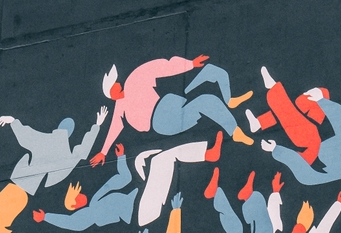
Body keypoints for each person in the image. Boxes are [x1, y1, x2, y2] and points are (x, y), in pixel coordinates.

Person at [0, 107, 106, 233]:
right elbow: (83, 150)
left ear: (58, 128)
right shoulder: (67, 155)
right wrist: (97, 126)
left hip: (16, 191)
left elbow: (26, 136)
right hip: (18, 192)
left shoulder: (46, 140)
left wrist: (13, 121)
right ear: (70, 134)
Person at [94, 55, 243, 159]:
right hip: (162, 121)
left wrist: (190, 64)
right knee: (205, 101)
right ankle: (235, 130)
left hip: (168, 108)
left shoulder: (134, 78)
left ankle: (232, 119)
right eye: (113, 88)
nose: (118, 84)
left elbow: (163, 66)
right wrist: (103, 151)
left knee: (204, 100)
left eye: (115, 83)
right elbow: (115, 126)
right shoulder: (121, 105)